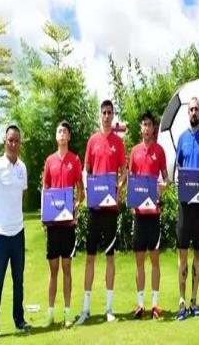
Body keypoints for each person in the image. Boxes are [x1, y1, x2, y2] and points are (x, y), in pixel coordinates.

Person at [76, 100, 126, 324]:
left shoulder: (118, 143)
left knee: (110, 257)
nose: (106, 116)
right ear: (100, 115)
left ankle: (109, 308)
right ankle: (86, 310)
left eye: (109, 113)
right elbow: (86, 171)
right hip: (95, 209)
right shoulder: (93, 141)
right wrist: (87, 188)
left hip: (110, 209)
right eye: (104, 112)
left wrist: (119, 186)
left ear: (113, 115)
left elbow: (124, 172)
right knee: (90, 257)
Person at [0, 125, 31, 343]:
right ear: (5, 142)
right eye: (10, 140)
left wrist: (13, 217)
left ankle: (19, 320)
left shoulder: (22, 168)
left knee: (18, 281)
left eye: (16, 141)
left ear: (20, 144)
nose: (13, 144)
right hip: (2, 235)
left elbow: (23, 194)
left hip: (18, 233)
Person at [175, 97, 199, 321]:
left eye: (196, 109)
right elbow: (177, 169)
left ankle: (194, 300)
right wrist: (177, 179)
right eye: (190, 109)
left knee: (198, 252)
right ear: (187, 112)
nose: (193, 112)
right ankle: (181, 301)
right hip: (184, 204)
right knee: (183, 253)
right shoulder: (181, 138)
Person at [42, 120, 84, 328]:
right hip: (53, 225)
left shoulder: (75, 160)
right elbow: (45, 190)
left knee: (67, 268)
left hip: (68, 225)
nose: (61, 134)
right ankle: (50, 314)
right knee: (53, 269)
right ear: (56, 136)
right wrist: (44, 214)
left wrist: (75, 206)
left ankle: (67, 313)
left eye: (65, 131)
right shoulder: (49, 161)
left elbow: (81, 191)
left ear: (69, 137)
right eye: (59, 131)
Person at [129, 111, 168, 320]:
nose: (146, 128)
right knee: (139, 260)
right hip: (139, 213)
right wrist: (131, 199)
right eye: (143, 124)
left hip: (153, 213)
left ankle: (154, 304)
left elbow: (166, 178)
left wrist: (162, 186)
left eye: (149, 125)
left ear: (154, 128)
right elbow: (131, 180)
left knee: (154, 260)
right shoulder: (134, 152)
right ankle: (140, 304)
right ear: (141, 128)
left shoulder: (159, 151)